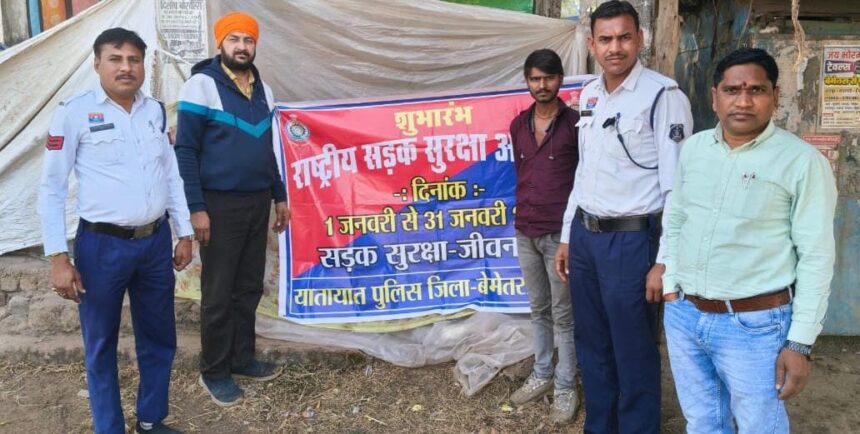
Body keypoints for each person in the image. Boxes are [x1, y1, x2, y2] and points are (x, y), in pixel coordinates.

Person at [661, 47, 837, 433]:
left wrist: (800, 343)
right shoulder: (694, 149)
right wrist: (670, 281)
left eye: (756, 90)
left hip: (755, 326)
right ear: (714, 97)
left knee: (761, 426)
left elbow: (816, 257)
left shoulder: (802, 162)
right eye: (732, 90)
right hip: (686, 315)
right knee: (703, 422)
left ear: (775, 96)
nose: (742, 101)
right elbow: (677, 217)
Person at [38, 28, 192, 434]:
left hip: (154, 242)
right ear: (97, 64)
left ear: (142, 64)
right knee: (101, 343)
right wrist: (58, 256)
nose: (126, 68)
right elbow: (52, 188)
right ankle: (109, 427)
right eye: (116, 59)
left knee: (159, 336)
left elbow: (171, 174)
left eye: (134, 60)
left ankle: (151, 420)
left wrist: (184, 231)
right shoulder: (73, 113)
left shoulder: (155, 111)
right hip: (101, 247)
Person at [553, 1, 693, 432]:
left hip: (631, 242)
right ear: (591, 44)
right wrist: (568, 235)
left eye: (624, 37)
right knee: (592, 344)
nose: (615, 48)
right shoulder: (590, 95)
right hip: (586, 237)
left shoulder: (663, 96)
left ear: (640, 39)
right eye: (606, 39)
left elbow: (678, 188)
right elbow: (584, 171)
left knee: (633, 349)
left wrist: (664, 261)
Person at [175, 11, 290, 407]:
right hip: (219, 205)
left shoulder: (264, 90)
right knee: (219, 291)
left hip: (257, 202)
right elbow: (186, 151)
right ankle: (214, 370)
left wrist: (279, 196)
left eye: (248, 40)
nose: (242, 46)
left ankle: (242, 358)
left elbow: (268, 151)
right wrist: (196, 208)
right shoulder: (201, 85)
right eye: (234, 39)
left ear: (255, 45)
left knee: (248, 286)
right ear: (220, 43)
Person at [507, 49, 580, 424]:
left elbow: (583, 180)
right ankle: (542, 373)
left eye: (548, 78)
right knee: (538, 309)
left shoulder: (576, 125)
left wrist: (569, 235)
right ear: (527, 81)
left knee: (564, 315)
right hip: (526, 230)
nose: (542, 85)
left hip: (559, 236)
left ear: (560, 80)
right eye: (535, 78)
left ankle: (566, 386)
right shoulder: (518, 125)